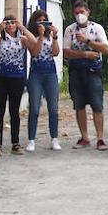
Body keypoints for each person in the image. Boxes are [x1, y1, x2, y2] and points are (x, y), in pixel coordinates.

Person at [63, 0, 108, 151]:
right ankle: (84, 137)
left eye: (82, 12)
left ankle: (100, 138)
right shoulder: (70, 30)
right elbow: (66, 52)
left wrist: (88, 41)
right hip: (76, 72)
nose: (79, 15)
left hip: (93, 72)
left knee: (97, 105)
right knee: (79, 105)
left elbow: (106, 49)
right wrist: (84, 54)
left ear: (88, 12)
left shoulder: (97, 28)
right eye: (77, 13)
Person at [0, 16, 32, 155]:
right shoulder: (0, 37)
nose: (10, 25)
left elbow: (34, 43)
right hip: (0, 77)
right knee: (0, 112)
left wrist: (23, 28)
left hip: (16, 78)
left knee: (14, 112)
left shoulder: (22, 38)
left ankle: (16, 143)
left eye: (13, 22)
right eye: (7, 22)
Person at [24, 9, 62, 152]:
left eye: (44, 20)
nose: (41, 23)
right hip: (36, 74)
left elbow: (55, 53)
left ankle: (54, 138)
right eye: (39, 20)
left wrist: (56, 36)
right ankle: (31, 140)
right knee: (34, 107)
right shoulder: (29, 36)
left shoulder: (51, 35)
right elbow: (35, 52)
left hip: (50, 73)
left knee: (53, 108)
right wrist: (40, 36)